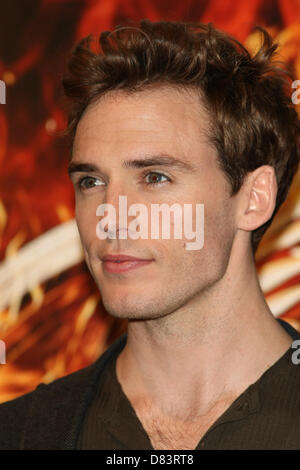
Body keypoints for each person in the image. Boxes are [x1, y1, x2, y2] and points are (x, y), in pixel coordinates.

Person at [0, 19, 300, 450]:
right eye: (91, 182)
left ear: (254, 198)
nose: (111, 218)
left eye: (155, 177)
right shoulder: (21, 433)